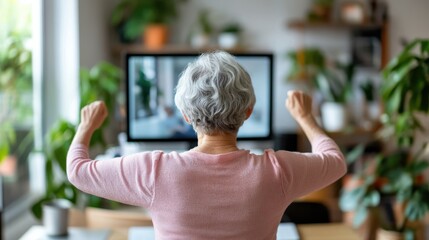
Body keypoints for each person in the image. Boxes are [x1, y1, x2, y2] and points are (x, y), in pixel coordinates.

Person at [67, 51, 346, 239]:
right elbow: (335, 160)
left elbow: (77, 171)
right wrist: (306, 118)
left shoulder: (154, 171)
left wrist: (86, 127)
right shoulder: (278, 170)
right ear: (248, 111)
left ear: (186, 115)